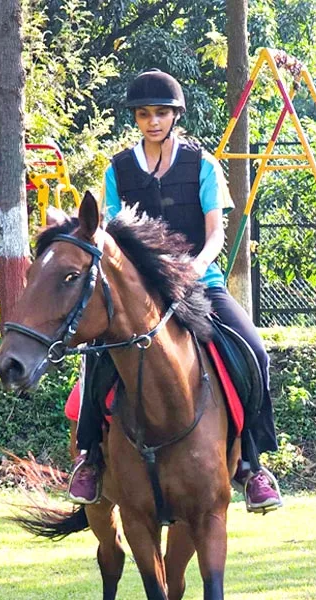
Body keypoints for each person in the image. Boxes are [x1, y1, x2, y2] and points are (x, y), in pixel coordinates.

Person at [68, 69, 283, 513]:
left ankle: (252, 466)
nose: (152, 121)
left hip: (198, 284)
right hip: (140, 295)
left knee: (254, 351)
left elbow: (215, 235)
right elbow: (112, 237)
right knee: (94, 361)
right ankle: (90, 458)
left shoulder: (203, 165)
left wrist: (194, 267)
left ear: (175, 116)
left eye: (161, 113)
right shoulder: (118, 170)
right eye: (144, 114)